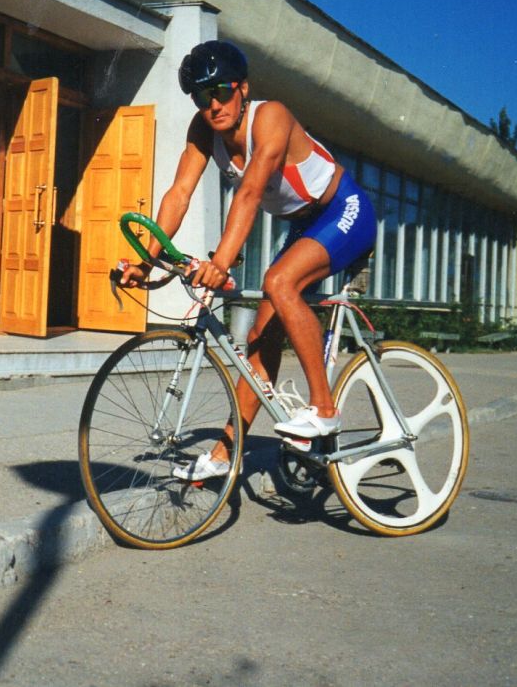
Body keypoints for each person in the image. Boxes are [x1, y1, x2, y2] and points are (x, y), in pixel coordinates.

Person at [120, 40, 377, 481]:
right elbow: (179, 194)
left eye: (221, 91)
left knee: (279, 282)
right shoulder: (204, 130)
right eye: (202, 97)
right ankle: (226, 453)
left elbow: (251, 193)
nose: (213, 105)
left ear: (243, 88)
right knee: (260, 337)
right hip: (304, 226)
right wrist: (146, 260)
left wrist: (220, 262)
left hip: (344, 209)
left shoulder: (271, 117)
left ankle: (324, 410)